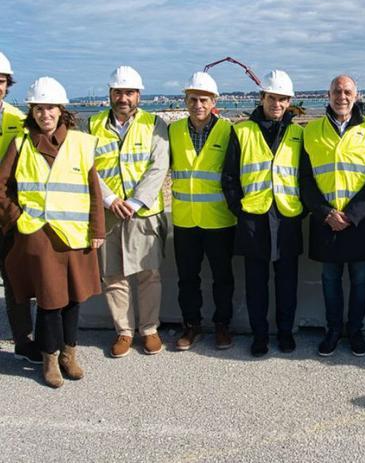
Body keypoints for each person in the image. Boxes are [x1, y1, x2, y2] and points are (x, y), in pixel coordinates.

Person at [0, 77, 104, 387]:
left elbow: (94, 192)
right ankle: (48, 358)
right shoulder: (22, 144)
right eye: (39, 108)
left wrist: (97, 229)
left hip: (75, 234)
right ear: (32, 111)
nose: (45, 114)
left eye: (51, 108)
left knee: (73, 299)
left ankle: (68, 355)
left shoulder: (81, 142)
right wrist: (17, 217)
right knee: (49, 300)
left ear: (62, 110)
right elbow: (2, 186)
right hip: (39, 234)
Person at [300, 75, 365, 357]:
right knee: (330, 280)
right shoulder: (311, 130)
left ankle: (356, 330)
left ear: (356, 94)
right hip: (326, 221)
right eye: (336, 91)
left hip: (361, 221)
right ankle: (333, 330)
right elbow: (305, 180)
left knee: (361, 280)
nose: (342, 96)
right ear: (328, 95)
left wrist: (350, 215)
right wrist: (325, 213)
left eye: (347, 91)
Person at [221, 70, 303, 358]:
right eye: (272, 98)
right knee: (256, 283)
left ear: (289, 101)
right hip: (253, 219)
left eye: (282, 99)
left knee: (287, 283)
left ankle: (284, 333)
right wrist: (240, 210)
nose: (277, 104)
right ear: (262, 98)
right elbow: (229, 178)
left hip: (287, 216)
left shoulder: (298, 133)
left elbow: (304, 176)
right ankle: (259, 336)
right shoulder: (242, 131)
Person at [89, 66, 169, 358]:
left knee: (149, 273)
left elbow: (159, 166)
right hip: (109, 212)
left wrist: (135, 202)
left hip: (143, 213)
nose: (124, 98)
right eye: (118, 92)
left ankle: (149, 329)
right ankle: (124, 331)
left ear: (139, 95)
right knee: (113, 276)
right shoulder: (93, 123)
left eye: (130, 92)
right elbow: (88, 167)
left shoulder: (154, 123)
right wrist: (110, 199)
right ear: (110, 93)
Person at [169, 72, 237, 351]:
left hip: (219, 219)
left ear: (214, 101)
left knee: (223, 277)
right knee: (187, 278)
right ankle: (191, 325)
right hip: (185, 218)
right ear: (186, 101)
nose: (198, 104)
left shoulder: (228, 130)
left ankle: (222, 325)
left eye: (204, 99)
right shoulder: (173, 131)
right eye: (193, 99)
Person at [0, 51, 40, 364]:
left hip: (7, 213)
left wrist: (14, 212)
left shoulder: (18, 119)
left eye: (0, 81)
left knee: (15, 281)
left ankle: (23, 340)